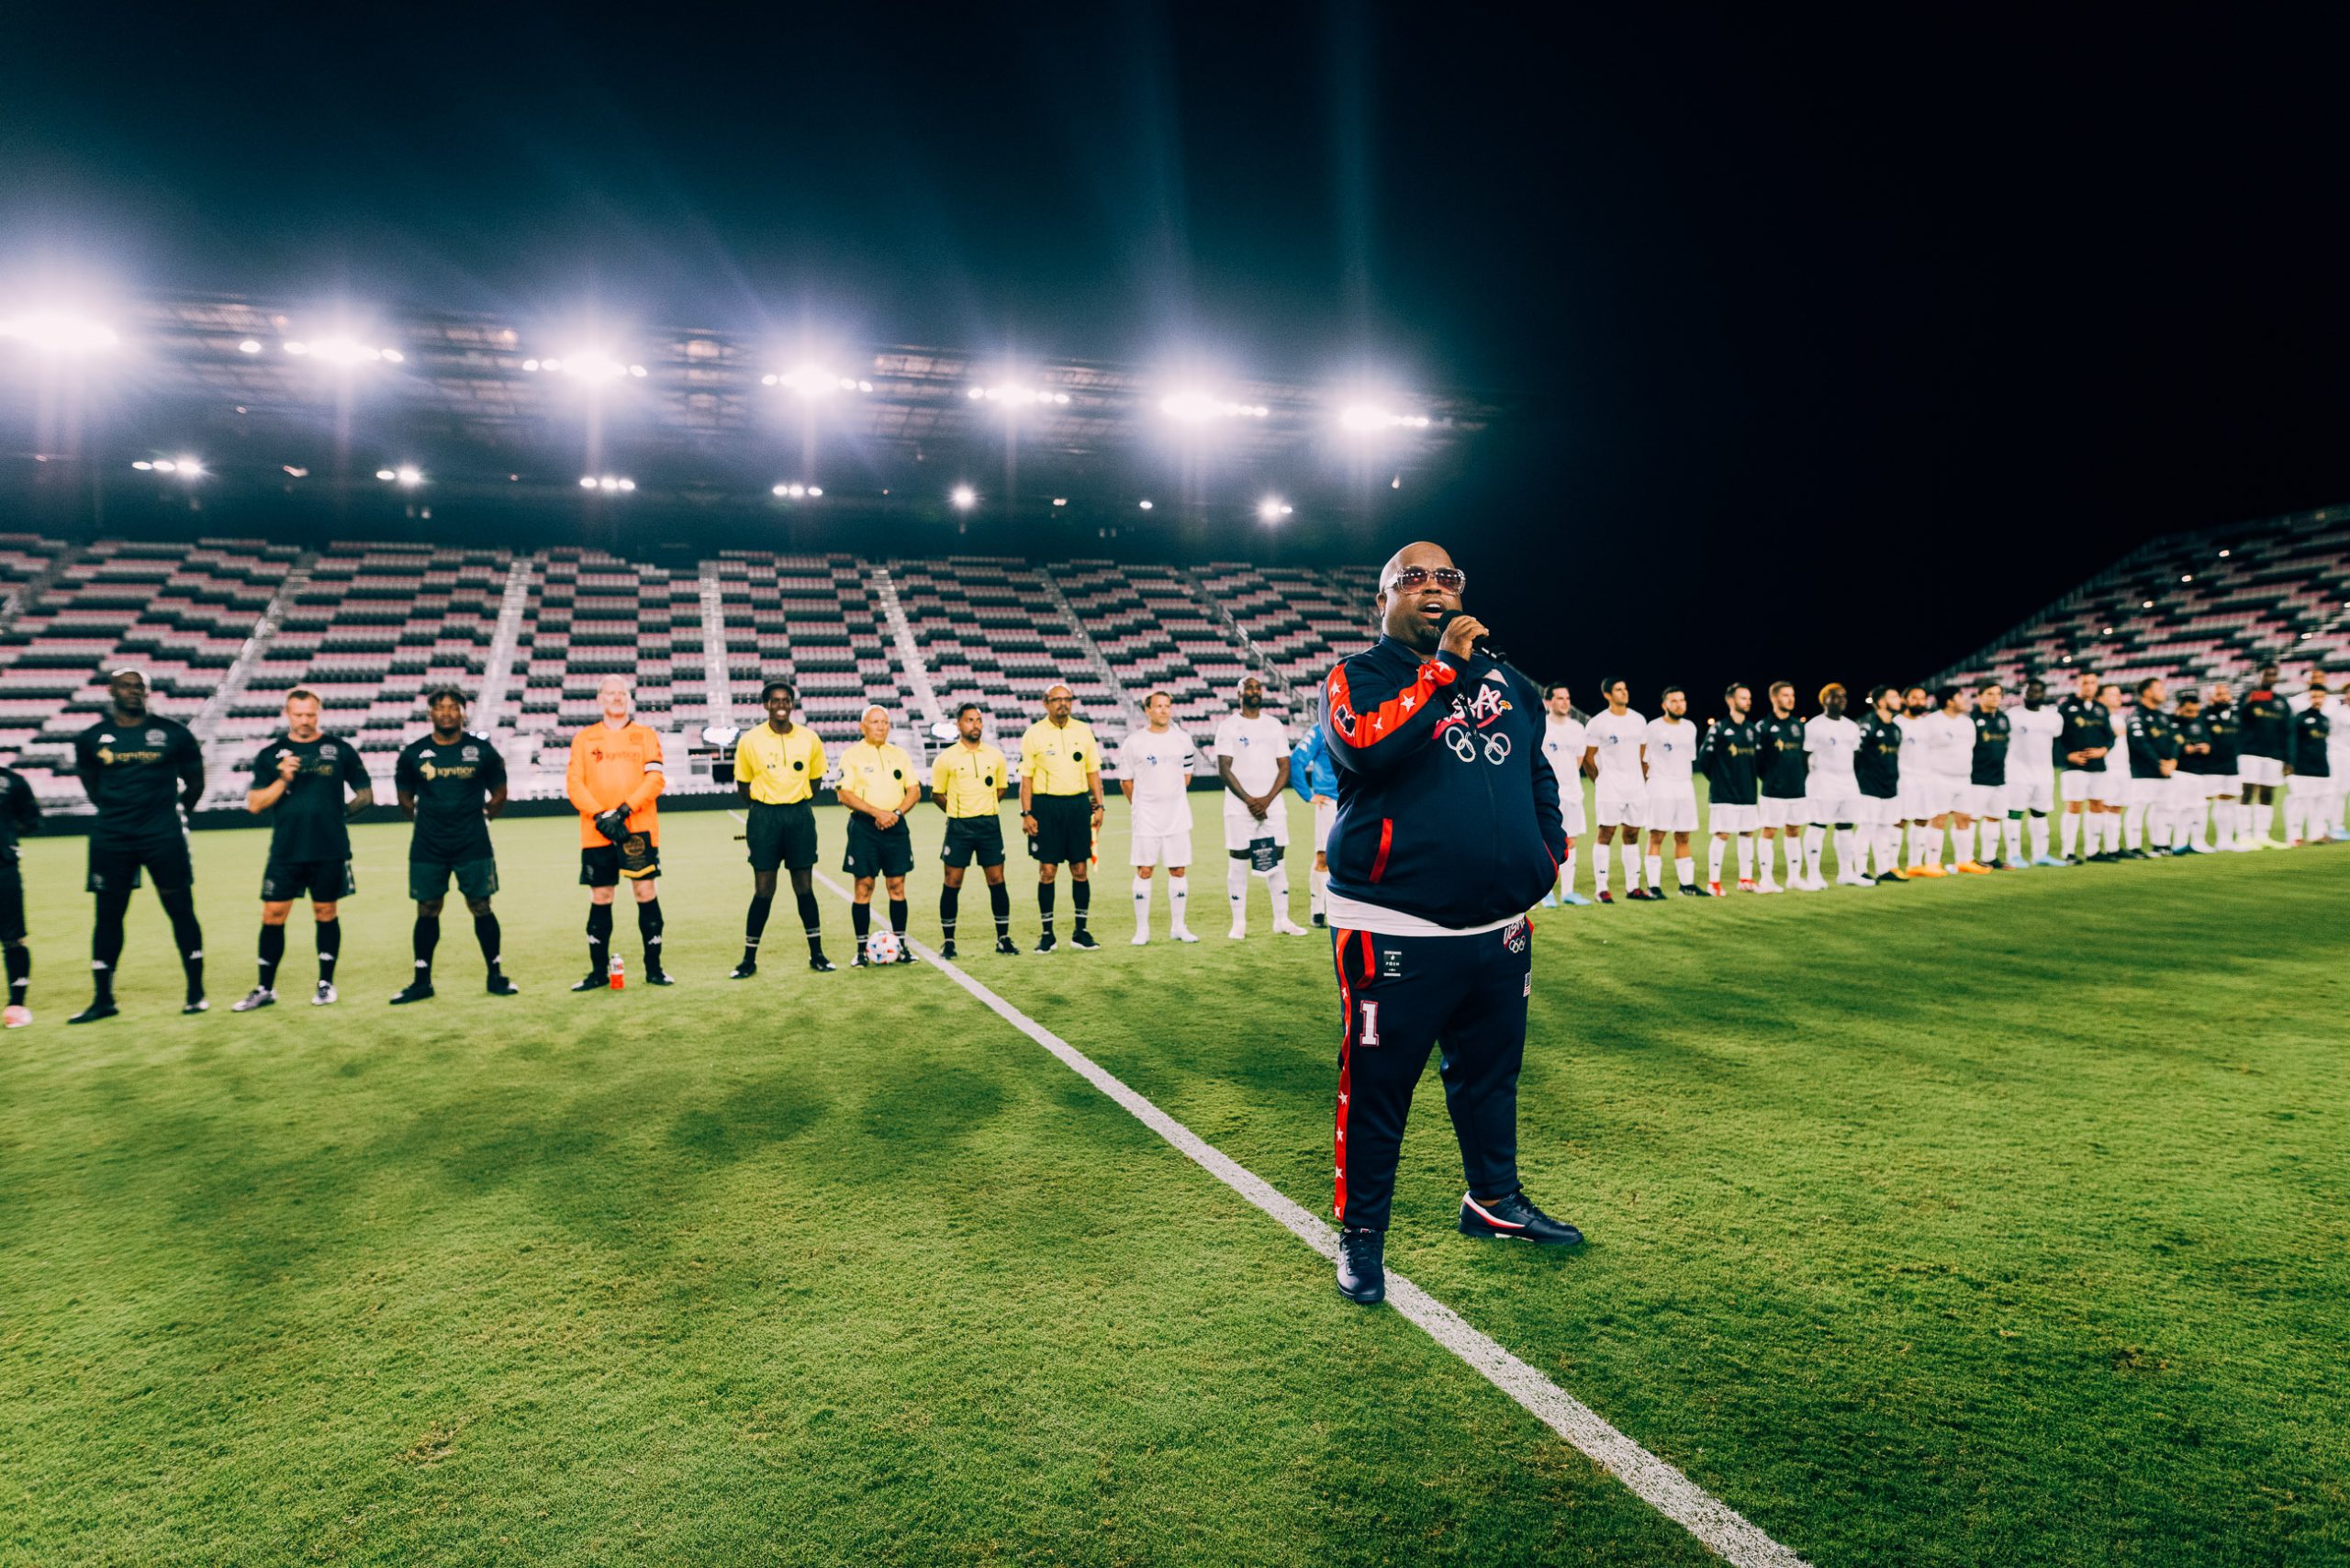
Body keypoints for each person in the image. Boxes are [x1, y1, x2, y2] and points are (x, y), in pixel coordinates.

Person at [1320, 542, 1579, 1308]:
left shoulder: (1510, 683)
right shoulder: (1357, 676)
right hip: (1395, 924)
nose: (1435, 588)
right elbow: (1367, 749)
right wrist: (1442, 671)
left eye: (1449, 578)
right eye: (1415, 579)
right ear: (1383, 601)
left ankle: (1493, 1201)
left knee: (1491, 1077)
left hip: (1499, 927)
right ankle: (1362, 1238)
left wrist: (1547, 854)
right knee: (1379, 1089)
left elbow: (1536, 771)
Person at [69, 668, 208, 1023]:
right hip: (112, 837)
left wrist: (169, 816)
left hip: (163, 835)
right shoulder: (91, 738)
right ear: (111, 691)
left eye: (140, 687)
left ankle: (196, 992)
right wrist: (121, 813)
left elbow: (195, 783)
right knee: (108, 917)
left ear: (148, 693)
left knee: (181, 910)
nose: (134, 692)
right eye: (127, 686)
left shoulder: (174, 734)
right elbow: (93, 787)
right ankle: (103, 999)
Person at [231, 688, 373, 1011]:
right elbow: (255, 805)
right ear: (287, 714)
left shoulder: (339, 750)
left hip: (329, 848)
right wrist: (283, 779)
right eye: (299, 714)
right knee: (273, 914)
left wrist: (336, 816)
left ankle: (326, 984)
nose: (305, 720)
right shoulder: (271, 754)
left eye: (311, 714)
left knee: (325, 913)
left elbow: (365, 795)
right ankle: (265, 988)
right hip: (286, 850)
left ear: (318, 713)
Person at [390, 688, 518, 1002]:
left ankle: (496, 975)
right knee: (427, 909)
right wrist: (424, 821)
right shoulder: (414, 754)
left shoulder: (482, 751)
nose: (447, 712)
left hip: (473, 843)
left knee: (481, 906)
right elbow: (404, 797)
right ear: (430, 713)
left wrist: (486, 815)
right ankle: (422, 981)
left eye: (454, 707)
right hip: (428, 846)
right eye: (440, 707)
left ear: (464, 712)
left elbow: (500, 791)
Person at [565, 673, 670, 991]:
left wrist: (623, 811)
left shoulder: (645, 735)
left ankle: (654, 970)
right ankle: (598, 973)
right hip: (597, 832)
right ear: (600, 698)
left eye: (621, 693)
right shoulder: (585, 739)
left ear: (628, 698)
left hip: (637, 830)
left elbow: (655, 779)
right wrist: (601, 816)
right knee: (601, 895)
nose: (616, 697)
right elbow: (574, 784)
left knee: (645, 893)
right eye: (610, 693)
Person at [729, 679, 834, 978]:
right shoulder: (750, 740)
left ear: (792, 704)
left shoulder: (810, 738)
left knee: (805, 887)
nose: (780, 705)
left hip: (799, 816)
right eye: (774, 700)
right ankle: (748, 961)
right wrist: (768, 807)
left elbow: (815, 782)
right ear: (766, 705)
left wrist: (792, 803)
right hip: (764, 818)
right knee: (764, 889)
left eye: (785, 700)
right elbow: (743, 786)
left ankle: (817, 955)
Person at [1214, 675, 1308, 937]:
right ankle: (1239, 923)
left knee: (1276, 857)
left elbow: (1284, 766)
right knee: (1239, 858)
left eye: (1258, 687)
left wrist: (1266, 799)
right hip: (1238, 805)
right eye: (1248, 687)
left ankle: (1282, 919)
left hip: (1272, 804)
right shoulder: (1228, 727)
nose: (1254, 691)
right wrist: (1249, 800)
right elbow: (1224, 768)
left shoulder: (1274, 725)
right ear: (1239, 694)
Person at [1017, 682, 1105, 952]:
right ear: (1046, 703)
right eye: (1057, 700)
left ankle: (1081, 931)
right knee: (1047, 871)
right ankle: (1047, 934)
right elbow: (1027, 778)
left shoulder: (1083, 730)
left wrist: (1099, 805)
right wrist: (1027, 813)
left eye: (1067, 699)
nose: (1063, 704)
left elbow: (1092, 771)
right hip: (1046, 807)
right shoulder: (1034, 734)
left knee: (1080, 870)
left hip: (1078, 806)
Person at [931, 700, 1017, 958]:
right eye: (970, 720)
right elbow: (937, 794)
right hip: (959, 826)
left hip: (989, 825)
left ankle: (1003, 938)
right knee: (952, 881)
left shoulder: (995, 755)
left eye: (978, 720)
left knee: (997, 880)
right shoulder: (946, 758)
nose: (975, 725)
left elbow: (1001, 789)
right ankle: (949, 942)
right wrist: (959, 811)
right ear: (959, 724)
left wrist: (984, 806)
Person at [836, 705, 921, 965]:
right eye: (875, 722)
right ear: (863, 726)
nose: (881, 726)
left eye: (885, 722)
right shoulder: (851, 756)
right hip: (864, 829)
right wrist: (877, 813)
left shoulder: (900, 755)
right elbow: (844, 794)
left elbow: (914, 791)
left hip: (896, 827)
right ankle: (861, 951)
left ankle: (902, 946)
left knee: (897, 886)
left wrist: (894, 813)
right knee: (864, 887)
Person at [1117, 692, 1198, 945]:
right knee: (1144, 870)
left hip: (1177, 816)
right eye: (1158, 706)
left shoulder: (1183, 740)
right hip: (1146, 818)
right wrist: (1143, 805)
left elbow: (1187, 776)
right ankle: (1142, 930)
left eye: (1167, 706)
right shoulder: (1134, 742)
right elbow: (1126, 781)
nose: (1163, 711)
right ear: (1148, 711)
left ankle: (1178, 926)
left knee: (1178, 869)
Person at [1580, 678, 1647, 903]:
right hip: (1610, 788)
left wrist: (1641, 779)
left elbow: (1643, 756)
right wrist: (1601, 783)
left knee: (1632, 834)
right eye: (1619, 690)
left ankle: (1633, 887)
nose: (1624, 692)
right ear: (1608, 695)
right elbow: (1588, 759)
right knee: (1606, 835)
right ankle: (1601, 889)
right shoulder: (1598, 723)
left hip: (1635, 789)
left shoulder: (1638, 720)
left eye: (1625, 688)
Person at [1695, 682, 1760, 895]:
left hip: (1748, 793)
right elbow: (1704, 760)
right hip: (1724, 795)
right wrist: (1719, 780)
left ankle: (1746, 879)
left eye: (1749, 698)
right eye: (1743, 698)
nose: (1748, 701)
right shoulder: (1719, 729)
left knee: (1747, 834)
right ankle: (1713, 883)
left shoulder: (1752, 730)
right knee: (1722, 835)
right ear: (1730, 701)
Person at [1804, 684, 1870, 886]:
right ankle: (1813, 874)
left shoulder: (1851, 726)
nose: (1842, 699)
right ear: (1825, 700)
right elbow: (1804, 756)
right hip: (1822, 781)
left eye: (1844, 696)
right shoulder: (1814, 725)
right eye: (1837, 696)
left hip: (1848, 782)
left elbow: (1857, 756)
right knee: (1818, 826)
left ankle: (1846, 873)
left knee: (1846, 826)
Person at [1640, 687, 1703, 896]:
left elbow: (1688, 758)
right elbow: (1643, 760)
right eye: (1674, 701)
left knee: (1683, 835)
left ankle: (1686, 885)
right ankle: (1654, 887)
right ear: (1664, 705)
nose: (1679, 704)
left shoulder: (1690, 727)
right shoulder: (1653, 727)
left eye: (1682, 700)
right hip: (1660, 784)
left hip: (1685, 785)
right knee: (1657, 835)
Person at [1923, 685, 1988, 874]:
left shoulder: (1967, 723)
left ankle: (1964, 861)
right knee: (1938, 819)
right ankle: (1933, 862)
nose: (1965, 700)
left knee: (1965, 818)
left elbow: (1970, 746)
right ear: (1950, 701)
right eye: (1960, 696)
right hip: (1938, 778)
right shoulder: (1932, 722)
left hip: (1964, 779)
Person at [1537, 683, 1591, 905]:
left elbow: (1578, 760)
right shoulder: (1541, 725)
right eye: (1560, 698)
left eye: (1567, 698)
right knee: (1545, 842)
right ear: (1548, 701)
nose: (1565, 702)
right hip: (1546, 794)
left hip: (1572, 793)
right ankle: (1545, 893)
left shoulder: (1577, 728)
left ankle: (1568, 892)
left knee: (1571, 841)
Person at [1753, 681, 1809, 890]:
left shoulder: (1798, 726)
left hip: (1797, 789)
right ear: (1774, 699)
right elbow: (1758, 762)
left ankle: (1794, 877)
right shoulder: (1764, 726)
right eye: (1785, 695)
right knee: (1769, 831)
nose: (1790, 699)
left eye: (1792, 695)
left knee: (1794, 830)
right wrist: (1771, 778)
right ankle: (1766, 879)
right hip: (1773, 791)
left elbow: (1803, 757)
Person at [2054, 670, 2114, 863]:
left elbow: (2110, 736)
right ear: (2077, 685)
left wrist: (2103, 750)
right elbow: (2056, 738)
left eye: (2093, 683)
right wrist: (2067, 755)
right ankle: (2068, 852)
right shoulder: (2065, 707)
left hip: (2098, 765)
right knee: (2074, 806)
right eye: (2085, 683)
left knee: (2097, 805)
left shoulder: (2100, 709)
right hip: (2074, 767)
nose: (2089, 686)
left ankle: (2093, 850)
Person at [0, 758, 40, 1026]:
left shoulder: (12, 782)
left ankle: (17, 1004)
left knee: (13, 938)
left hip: (2, 867)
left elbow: (32, 821)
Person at [1291, 705, 1341, 923]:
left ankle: (1340, 908)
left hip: (1355, 801)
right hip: (1329, 802)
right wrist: (1307, 794)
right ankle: (1318, 910)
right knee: (1324, 857)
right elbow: (1297, 759)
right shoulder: (1320, 730)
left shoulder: (1357, 726)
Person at [2007, 677, 2064, 866]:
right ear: (2023, 693)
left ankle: (2041, 855)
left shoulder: (2054, 717)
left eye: (2038, 690)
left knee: (2040, 813)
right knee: (2014, 814)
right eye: (2030, 690)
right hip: (2017, 772)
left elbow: (2057, 738)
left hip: (2044, 773)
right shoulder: (2012, 715)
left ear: (2044, 694)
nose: (2033, 694)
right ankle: (2013, 855)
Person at [1855, 685, 1909, 882]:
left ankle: (1884, 869)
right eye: (1894, 697)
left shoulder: (1896, 729)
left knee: (1885, 828)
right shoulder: (1868, 726)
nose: (1900, 700)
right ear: (1881, 702)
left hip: (1890, 785)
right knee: (1867, 828)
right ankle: (1860, 870)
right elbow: (1857, 756)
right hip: (1869, 786)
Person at [2122, 677, 2182, 855]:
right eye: (2159, 688)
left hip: (2165, 772)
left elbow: (2175, 740)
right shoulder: (2136, 716)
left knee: (2163, 808)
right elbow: (2140, 743)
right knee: (2138, 807)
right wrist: (2158, 763)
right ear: (2147, 692)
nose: (2163, 692)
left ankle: (2161, 844)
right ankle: (2134, 847)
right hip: (2143, 772)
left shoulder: (2163, 716)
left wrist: (2173, 760)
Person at [2237, 663, 2291, 848]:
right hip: (2249, 752)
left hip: (2274, 754)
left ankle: (2262, 835)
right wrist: (2248, 702)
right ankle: (2244, 836)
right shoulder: (2247, 697)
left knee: (2268, 793)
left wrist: (2288, 759)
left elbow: (2287, 731)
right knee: (2246, 792)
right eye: (2267, 674)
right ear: (2258, 675)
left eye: (2274, 675)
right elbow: (2238, 720)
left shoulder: (2281, 702)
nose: (2270, 678)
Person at [1964, 683, 2017, 871]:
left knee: (1994, 817)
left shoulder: (2004, 719)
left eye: (1998, 694)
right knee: (1971, 819)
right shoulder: (1971, 719)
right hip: (1977, 777)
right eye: (1990, 694)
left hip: (1999, 777)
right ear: (1979, 696)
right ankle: (1967, 858)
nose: (1995, 697)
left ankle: (1989, 857)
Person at [1894, 685, 1938, 872]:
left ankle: (1915, 864)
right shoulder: (1897, 723)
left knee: (1922, 819)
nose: (1920, 702)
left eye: (1922, 698)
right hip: (1903, 778)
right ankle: (1891, 864)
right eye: (1915, 698)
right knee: (1899, 821)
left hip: (1925, 779)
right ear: (1905, 700)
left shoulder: (1927, 724)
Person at [2286, 680, 2333, 845]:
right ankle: (2295, 836)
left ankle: (2316, 834)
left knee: (2321, 801)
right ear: (2309, 697)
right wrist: (2290, 763)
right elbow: (2292, 741)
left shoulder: (2326, 720)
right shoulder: (2300, 718)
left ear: (2325, 698)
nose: (2317, 700)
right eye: (2314, 696)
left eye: (2320, 697)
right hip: (2302, 766)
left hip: (2321, 766)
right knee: (2299, 800)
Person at [2171, 689, 2217, 854]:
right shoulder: (2171, 722)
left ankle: (2198, 842)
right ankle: (2178, 843)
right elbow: (2169, 743)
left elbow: (2209, 741)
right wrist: (2184, 749)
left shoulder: (2199, 723)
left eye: (2196, 711)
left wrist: (2206, 747)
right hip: (2179, 771)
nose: (2193, 714)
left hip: (2199, 771)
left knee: (2199, 807)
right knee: (2182, 808)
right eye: (2189, 711)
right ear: (2180, 707)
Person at [2201, 682, 2247, 850]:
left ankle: (2225, 840)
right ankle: (2199, 841)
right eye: (2220, 694)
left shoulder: (2236, 714)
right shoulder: (2203, 714)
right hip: (2210, 766)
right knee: (2204, 803)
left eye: (2226, 693)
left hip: (2231, 764)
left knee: (2228, 802)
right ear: (2211, 697)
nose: (2224, 697)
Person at [2099, 681, 2138, 857]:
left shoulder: (2119, 718)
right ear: (2101, 698)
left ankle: (2113, 846)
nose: (2118, 697)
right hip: (2107, 769)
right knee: (2105, 807)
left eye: (2119, 694)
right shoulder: (2098, 718)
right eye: (2112, 694)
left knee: (2117, 807)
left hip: (2123, 768)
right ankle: (2105, 847)